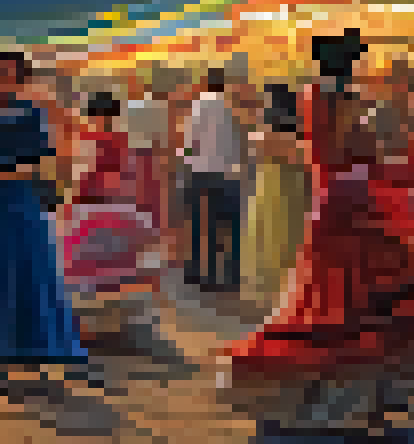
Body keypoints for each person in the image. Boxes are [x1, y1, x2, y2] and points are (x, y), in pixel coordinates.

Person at [225, 30, 414, 444]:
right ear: (348, 64)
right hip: (354, 203)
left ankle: (333, 404)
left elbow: (327, 154)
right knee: (361, 305)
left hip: (333, 202)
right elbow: (349, 149)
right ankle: (346, 405)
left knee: (335, 305)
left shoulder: (311, 97)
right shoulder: (343, 102)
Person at [0, 51, 87, 399]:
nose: (4, 80)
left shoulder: (34, 115)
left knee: (33, 275)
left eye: (10, 74)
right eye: (0, 73)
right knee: (0, 279)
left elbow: (40, 163)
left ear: (23, 79)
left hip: (25, 204)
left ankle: (38, 357)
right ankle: (0, 358)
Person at [58, 90, 169, 354]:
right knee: (114, 272)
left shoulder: (88, 139)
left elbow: (80, 177)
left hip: (89, 211)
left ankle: (86, 329)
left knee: (84, 272)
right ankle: (113, 327)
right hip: (118, 212)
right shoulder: (122, 140)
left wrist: (68, 205)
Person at [242, 83, 309, 307]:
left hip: (271, 188)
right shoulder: (297, 143)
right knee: (287, 241)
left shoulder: (261, 138)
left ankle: (270, 293)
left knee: (269, 238)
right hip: (290, 189)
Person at [182, 68, 245, 293]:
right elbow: (236, 142)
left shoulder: (199, 106)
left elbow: (191, 141)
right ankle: (231, 273)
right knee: (229, 225)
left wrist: (185, 159)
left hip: (201, 172)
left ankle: (199, 273)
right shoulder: (229, 108)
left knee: (200, 223)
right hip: (227, 172)